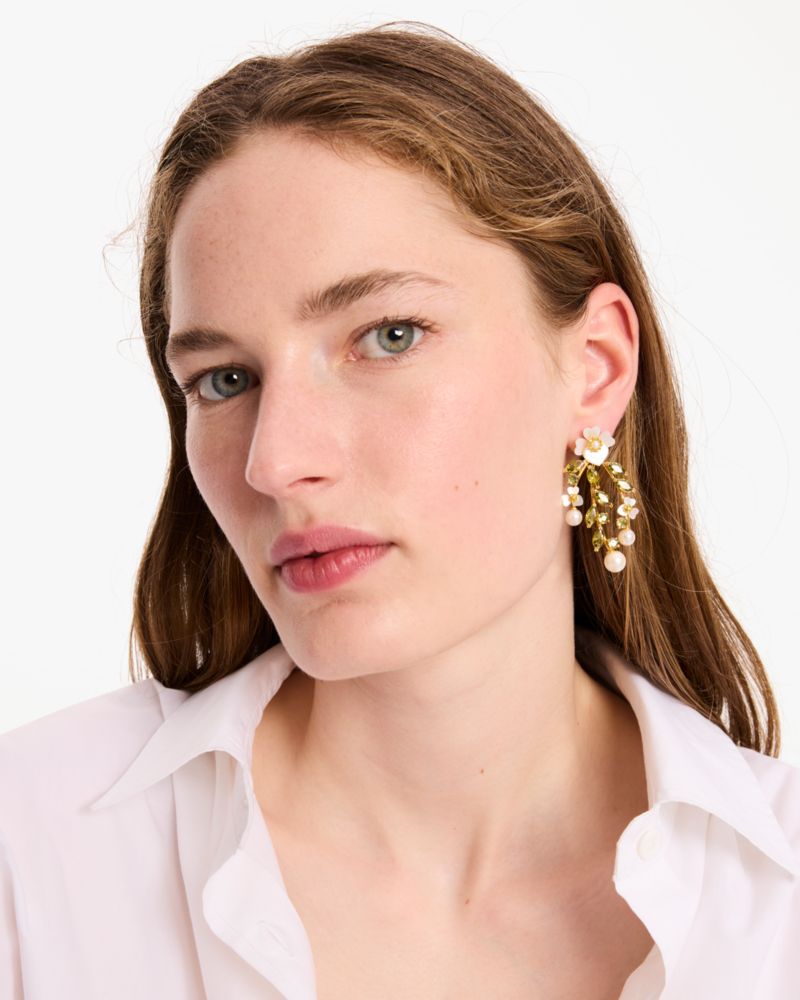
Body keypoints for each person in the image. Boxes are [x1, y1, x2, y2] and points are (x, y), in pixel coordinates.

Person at [1, 19, 798, 1000]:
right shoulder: (31, 856)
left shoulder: (775, 909)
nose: (276, 462)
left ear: (594, 368)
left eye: (387, 336)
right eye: (223, 379)